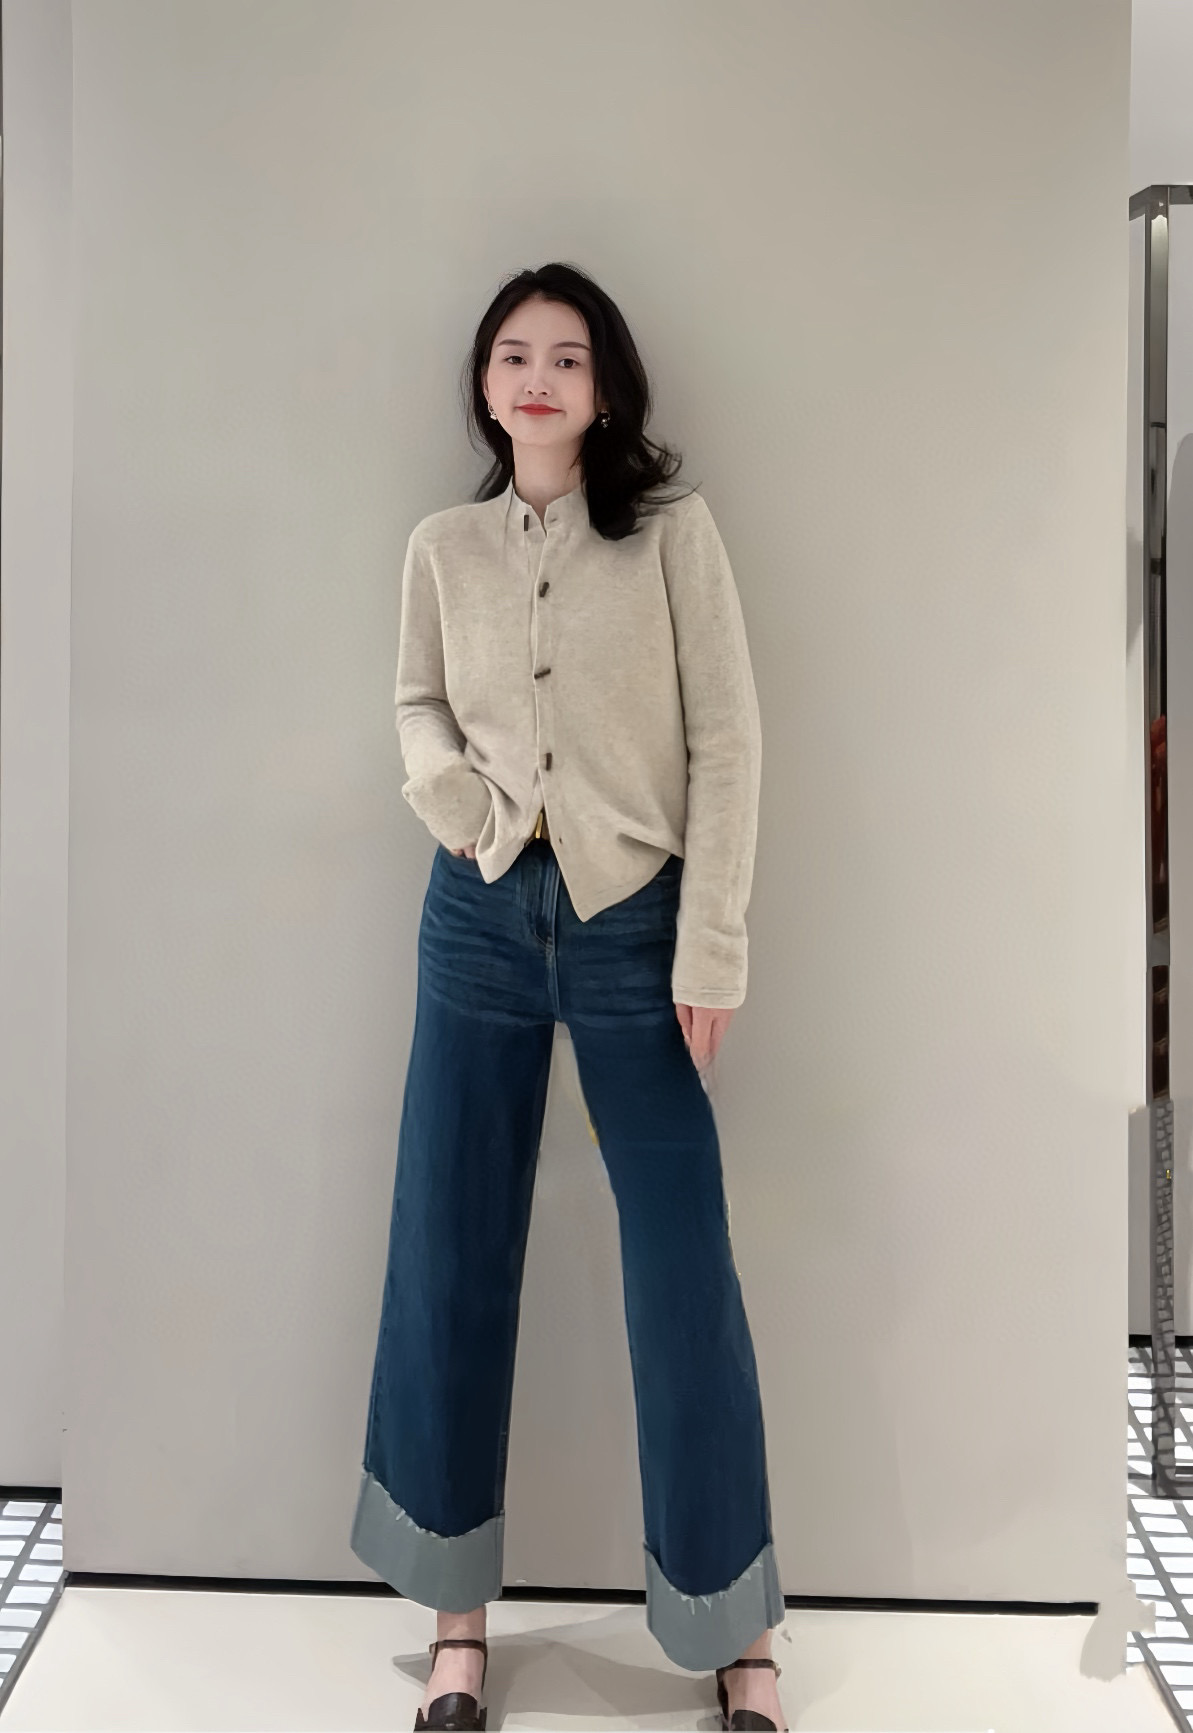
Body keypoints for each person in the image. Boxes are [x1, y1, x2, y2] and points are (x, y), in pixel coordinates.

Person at [349, 262, 786, 1732]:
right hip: (474, 917)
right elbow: (415, 702)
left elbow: (727, 739)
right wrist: (462, 806)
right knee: (448, 1246)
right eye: (513, 355)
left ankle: (738, 1633)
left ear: (604, 390)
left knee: (681, 1272)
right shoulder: (443, 546)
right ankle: (455, 1623)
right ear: (485, 383)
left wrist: (710, 948)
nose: (537, 378)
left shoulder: (670, 533)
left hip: (634, 925)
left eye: (567, 357)